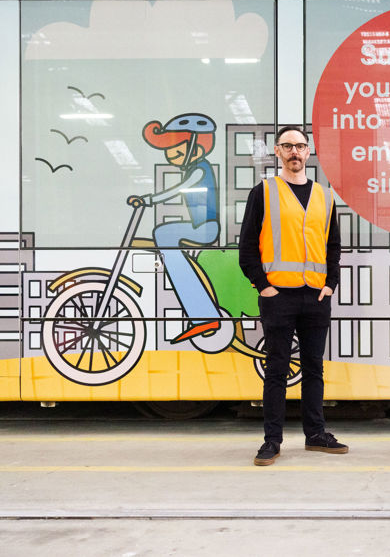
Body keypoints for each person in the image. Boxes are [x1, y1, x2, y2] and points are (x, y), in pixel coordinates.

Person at [238, 125, 345, 466]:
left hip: (315, 296)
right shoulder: (265, 192)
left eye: (300, 145)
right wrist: (263, 286)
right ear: (277, 151)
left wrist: (330, 284)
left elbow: (334, 247)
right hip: (278, 296)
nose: (294, 152)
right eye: (288, 146)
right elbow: (247, 247)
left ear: (308, 152)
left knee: (314, 368)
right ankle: (272, 441)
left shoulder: (325, 196)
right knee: (276, 370)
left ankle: (315, 435)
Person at [128, 113, 233, 352]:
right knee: (164, 237)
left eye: (176, 153)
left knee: (164, 236)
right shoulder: (194, 168)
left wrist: (149, 200)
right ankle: (201, 311)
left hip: (205, 229)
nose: (173, 159)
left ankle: (203, 315)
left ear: (195, 148)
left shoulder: (198, 170)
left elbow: (180, 189)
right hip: (200, 227)